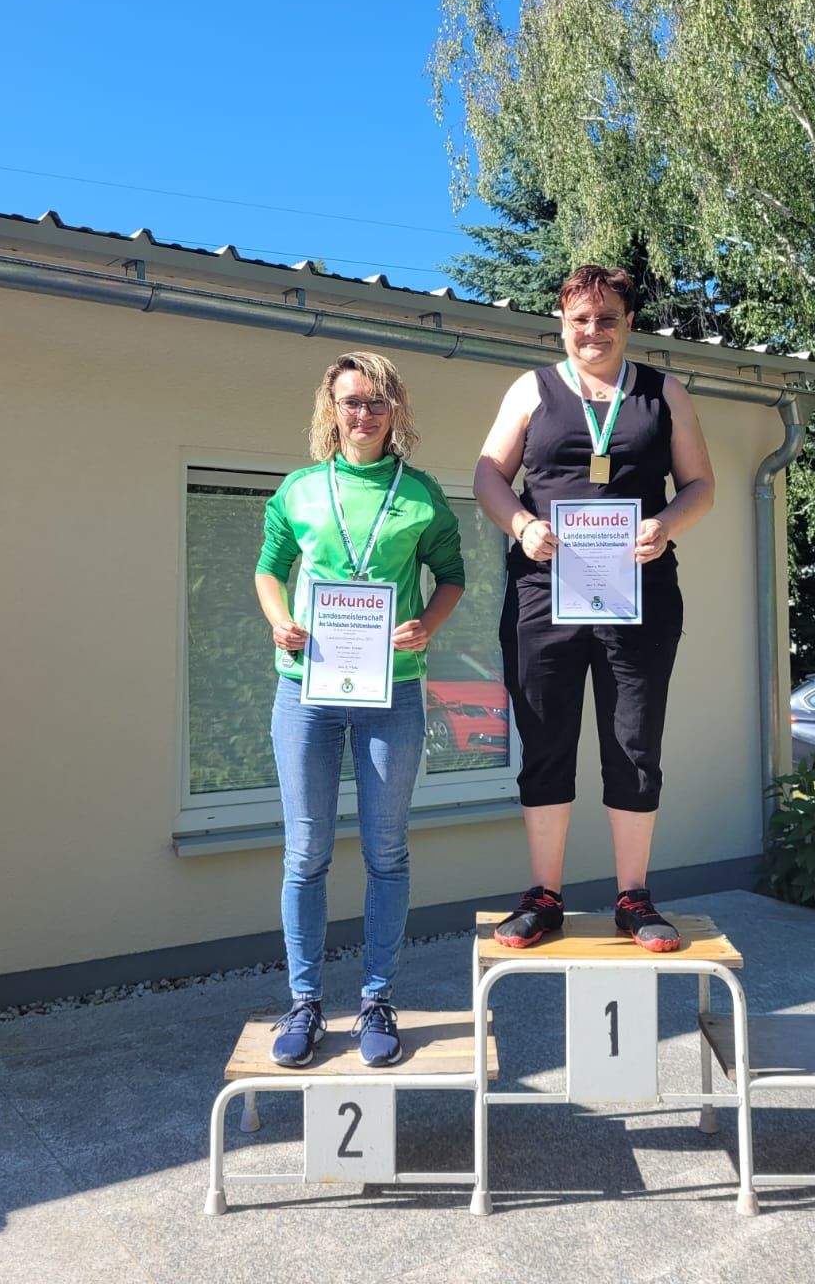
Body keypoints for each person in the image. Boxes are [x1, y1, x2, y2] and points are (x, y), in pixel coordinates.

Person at [474, 265, 715, 951]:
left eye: (607, 317)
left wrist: (665, 524)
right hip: (543, 591)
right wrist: (521, 524)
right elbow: (489, 474)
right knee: (545, 738)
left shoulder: (664, 393)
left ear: (629, 323)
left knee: (634, 744)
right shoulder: (531, 389)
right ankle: (543, 896)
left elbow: (700, 485)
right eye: (580, 318)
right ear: (561, 322)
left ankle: (633, 897)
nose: (593, 330)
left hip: (638, 594)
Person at [255, 352, 465, 1066]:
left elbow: (452, 575)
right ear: (332, 408)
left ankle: (377, 998)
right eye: (352, 401)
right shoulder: (300, 489)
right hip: (306, 688)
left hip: (392, 690)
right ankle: (305, 1003)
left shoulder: (421, 493)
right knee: (306, 852)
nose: (364, 413)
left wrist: (427, 625)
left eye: (377, 401)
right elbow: (269, 569)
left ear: (394, 408)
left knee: (386, 851)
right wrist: (279, 620)